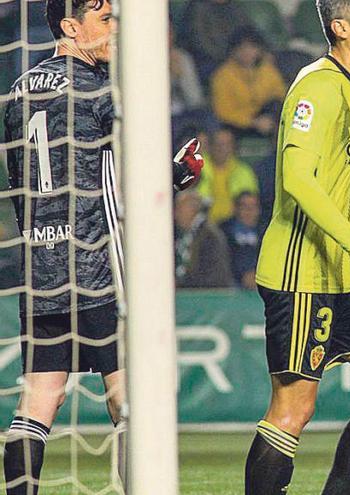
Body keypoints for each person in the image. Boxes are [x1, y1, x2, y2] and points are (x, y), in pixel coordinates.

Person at [2, 1, 202, 493]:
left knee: (39, 398)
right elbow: (127, 182)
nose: (117, 30)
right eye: (107, 20)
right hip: (100, 265)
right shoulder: (101, 91)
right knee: (127, 395)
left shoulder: (17, 90)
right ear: (71, 26)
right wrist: (178, 174)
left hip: (41, 267)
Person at [245, 0, 350, 493]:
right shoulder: (318, 87)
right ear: (341, 28)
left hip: (339, 275)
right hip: (300, 273)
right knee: (293, 409)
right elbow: (297, 177)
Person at [210, 28, 286, 137]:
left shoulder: (267, 69)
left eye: (252, 47)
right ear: (233, 50)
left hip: (267, 120)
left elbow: (280, 95)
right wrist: (253, 122)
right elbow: (223, 112)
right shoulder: (222, 75)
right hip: (238, 126)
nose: (247, 52)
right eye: (241, 48)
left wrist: (268, 118)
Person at [197, 127, 260, 224]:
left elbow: (251, 205)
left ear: (233, 147)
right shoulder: (197, 168)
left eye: (226, 144)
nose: (221, 148)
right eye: (218, 143)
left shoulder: (244, 172)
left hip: (233, 227)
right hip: (202, 225)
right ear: (210, 146)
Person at [174, 190, 234, 288]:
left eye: (179, 209)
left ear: (192, 209)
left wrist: (181, 284)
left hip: (207, 299)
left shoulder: (209, 236)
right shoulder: (183, 234)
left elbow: (214, 276)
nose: (175, 214)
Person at [221, 191, 262, 289]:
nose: (249, 210)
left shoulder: (268, 233)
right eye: (244, 206)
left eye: (253, 206)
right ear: (236, 208)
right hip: (230, 287)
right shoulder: (223, 232)